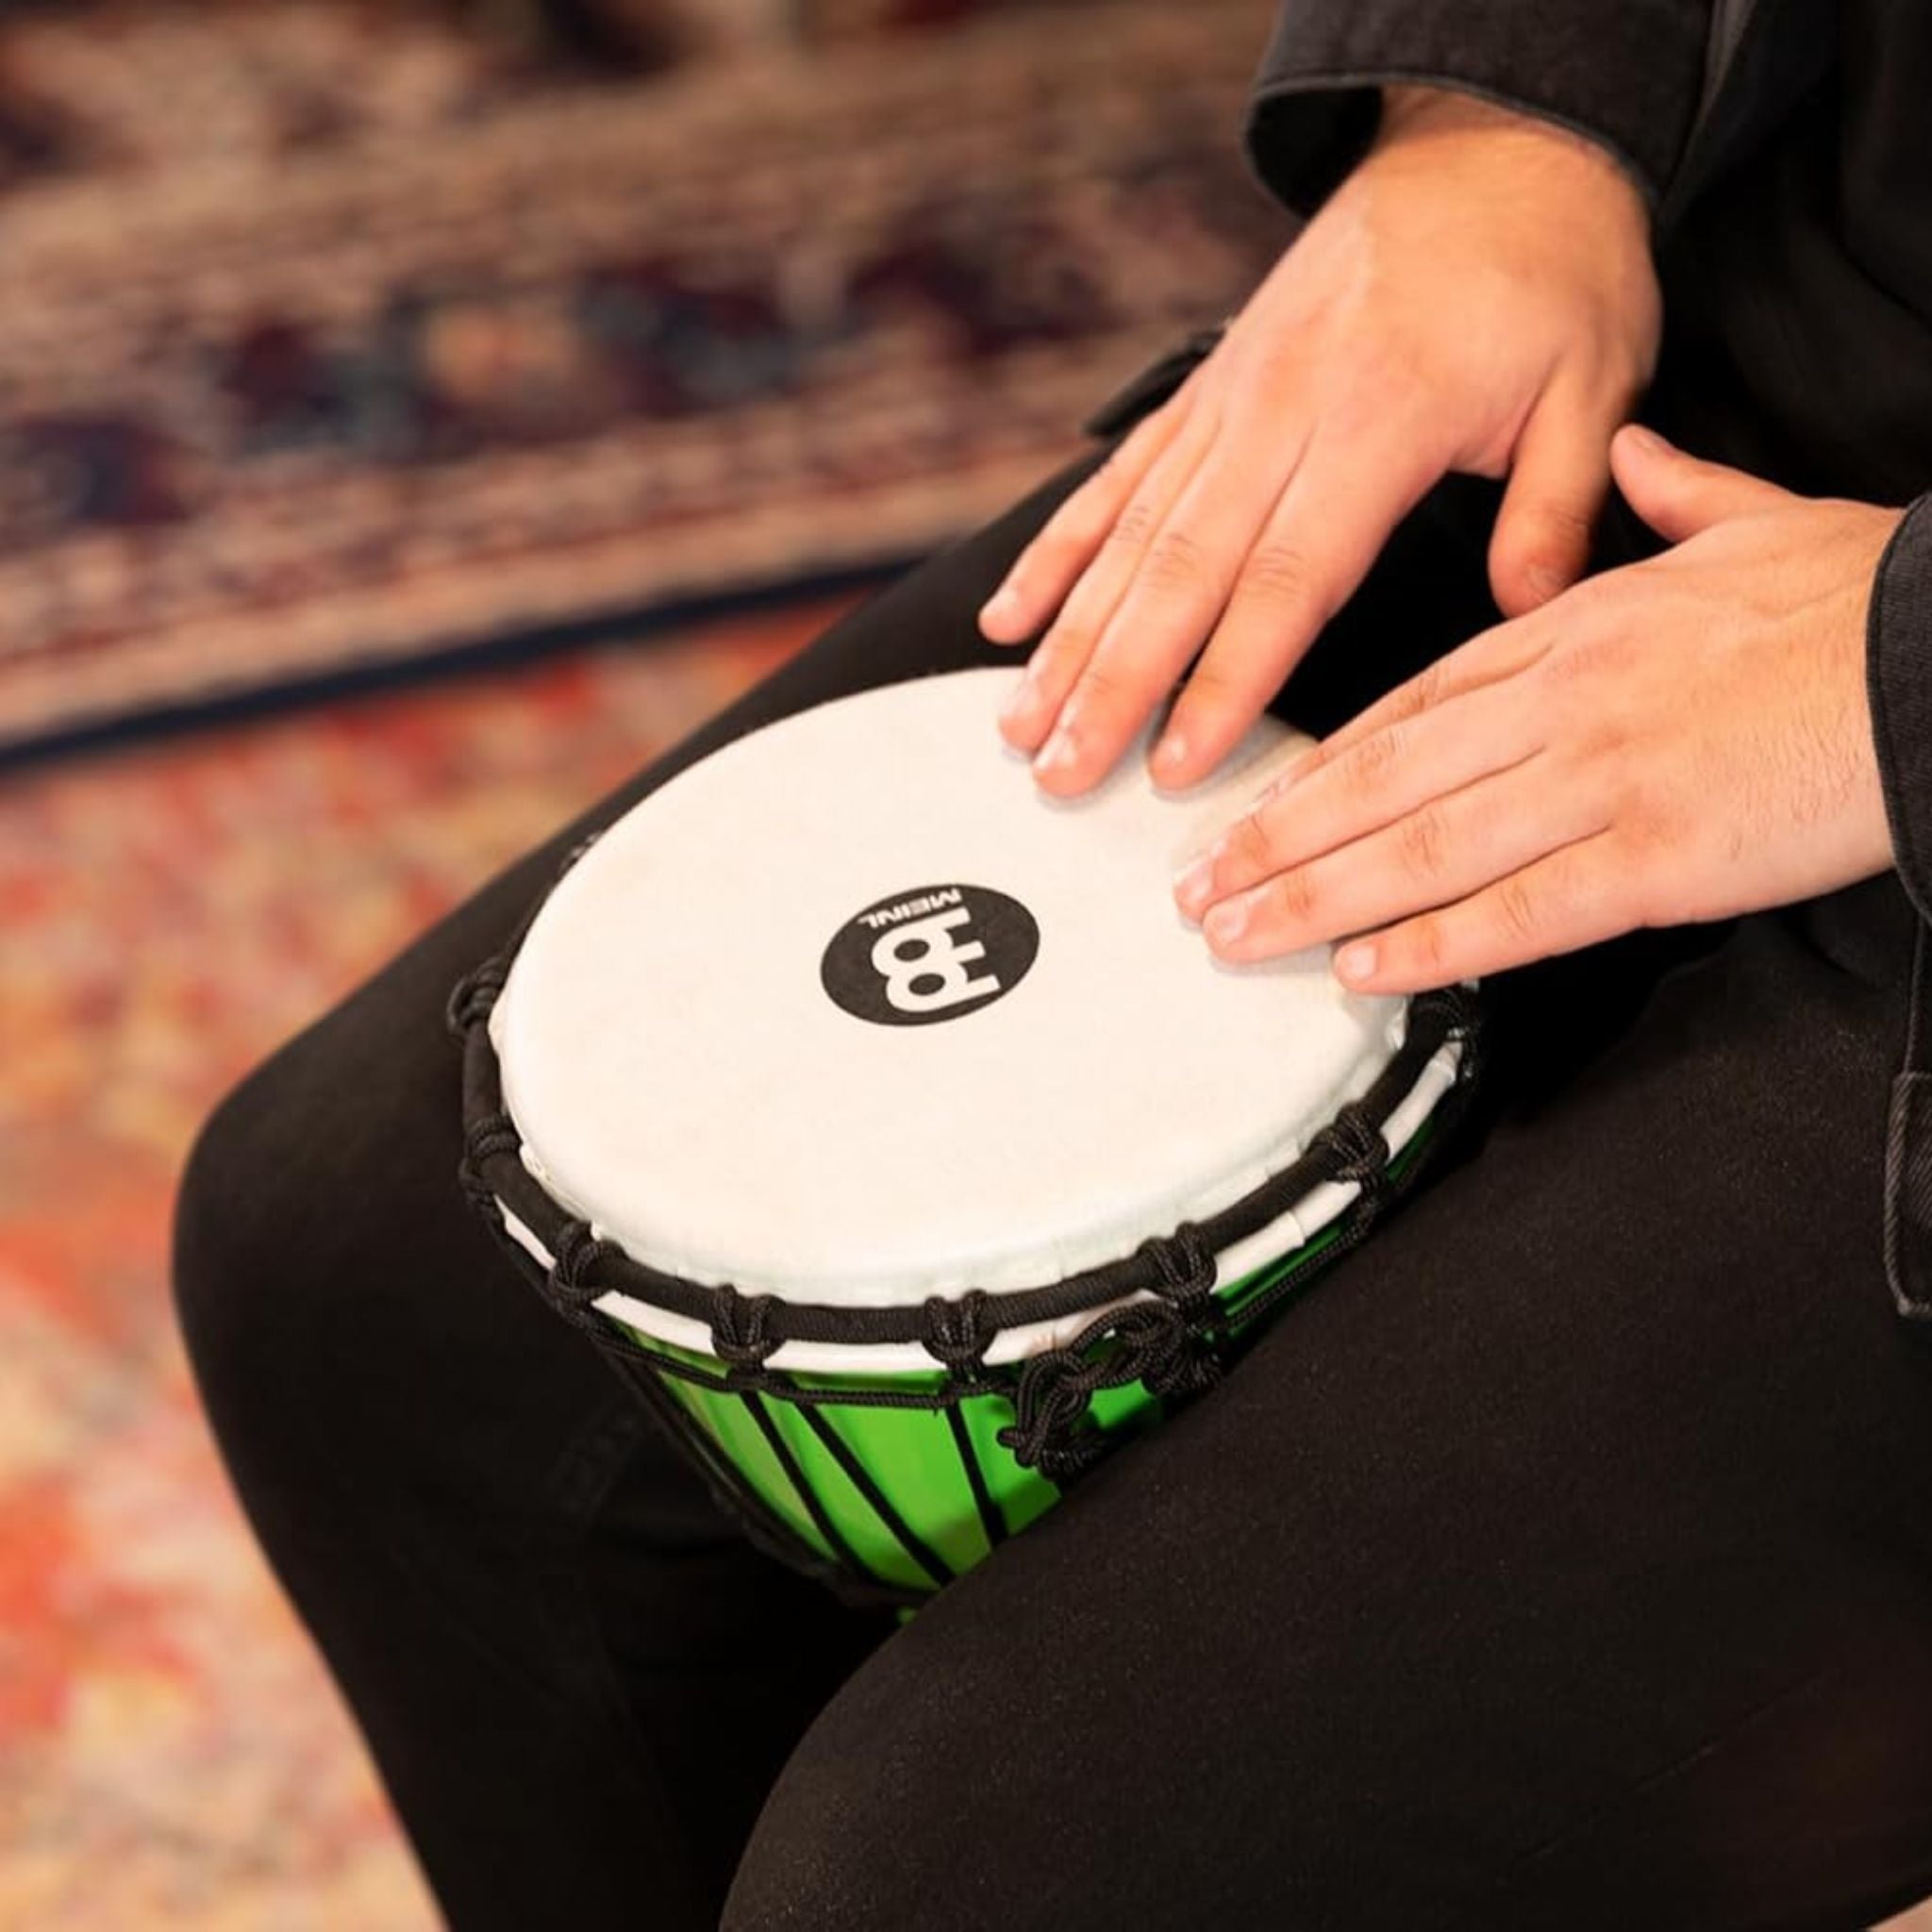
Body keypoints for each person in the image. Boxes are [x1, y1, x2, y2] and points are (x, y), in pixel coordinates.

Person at [173, 2, 1932, 1925]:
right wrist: (1502, 118)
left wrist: (1888, 672)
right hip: (1765, 306)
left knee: (951, 1879)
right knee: (362, 1278)